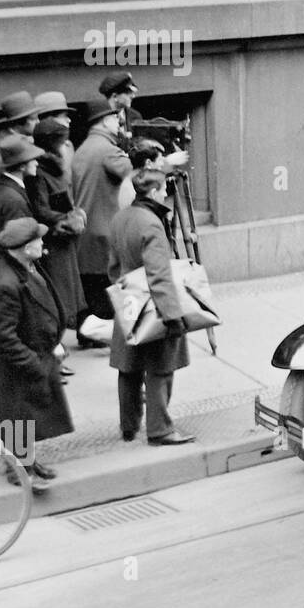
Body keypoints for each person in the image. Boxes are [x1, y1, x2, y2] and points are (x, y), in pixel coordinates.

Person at [0, 217, 72, 491]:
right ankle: (19, 471)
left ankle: (29, 463)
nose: (42, 242)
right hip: (17, 365)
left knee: (28, 416)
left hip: (34, 355)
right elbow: (1, 337)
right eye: (37, 239)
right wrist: (33, 363)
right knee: (17, 415)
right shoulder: (6, 284)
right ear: (24, 247)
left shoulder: (25, 267)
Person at [108, 168, 194, 445]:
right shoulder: (152, 223)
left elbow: (112, 266)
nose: (167, 194)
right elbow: (159, 273)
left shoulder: (121, 217)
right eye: (163, 190)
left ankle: (129, 427)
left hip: (128, 300)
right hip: (154, 305)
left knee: (129, 366)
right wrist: (172, 315)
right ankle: (160, 429)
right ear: (154, 192)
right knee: (160, 367)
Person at [72, 99, 134, 346]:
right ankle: (101, 335)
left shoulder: (84, 148)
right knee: (106, 287)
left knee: (91, 286)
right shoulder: (108, 150)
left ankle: (86, 333)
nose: (118, 123)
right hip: (104, 230)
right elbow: (134, 171)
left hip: (86, 229)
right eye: (115, 119)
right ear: (105, 121)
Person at [32, 118, 87, 347]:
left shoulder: (54, 168)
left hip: (64, 241)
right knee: (58, 299)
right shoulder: (40, 173)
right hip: (54, 242)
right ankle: (54, 349)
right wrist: (65, 217)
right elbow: (40, 208)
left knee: (66, 298)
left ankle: (57, 348)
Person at [0, 135, 42, 303]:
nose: (37, 163)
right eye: (32, 159)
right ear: (22, 164)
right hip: (14, 276)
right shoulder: (14, 199)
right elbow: (20, 242)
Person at [0, 91, 41, 178]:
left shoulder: (19, 139)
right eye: (34, 118)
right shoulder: (4, 147)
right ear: (20, 121)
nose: (38, 122)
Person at [98, 72, 143, 151]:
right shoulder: (99, 118)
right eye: (128, 93)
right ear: (115, 96)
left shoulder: (135, 116)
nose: (133, 96)